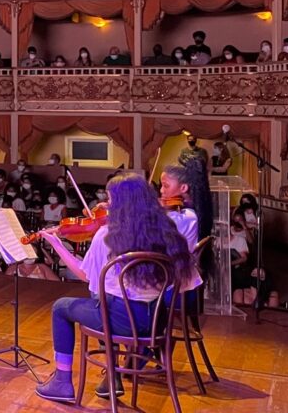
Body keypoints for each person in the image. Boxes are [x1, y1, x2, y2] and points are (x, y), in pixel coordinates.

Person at [33, 173, 197, 404]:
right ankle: (114, 373)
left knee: (63, 307)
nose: (107, 206)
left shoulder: (107, 235)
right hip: (158, 321)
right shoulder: (169, 231)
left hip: (122, 321)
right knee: (104, 294)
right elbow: (185, 280)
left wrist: (58, 246)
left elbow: (84, 274)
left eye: (110, 200)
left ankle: (62, 382)